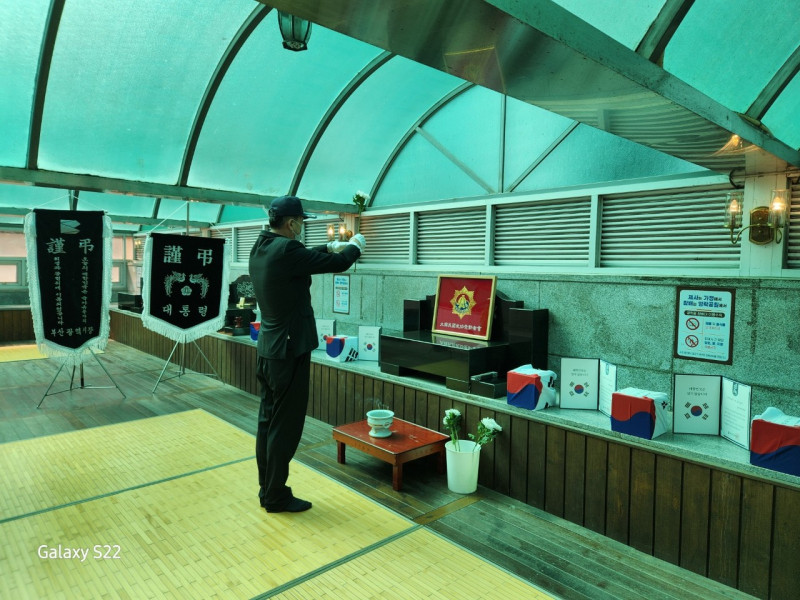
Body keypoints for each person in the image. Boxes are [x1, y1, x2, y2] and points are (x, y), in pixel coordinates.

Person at [249, 195, 365, 513]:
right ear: (291, 223)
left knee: (267, 423)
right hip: (289, 351)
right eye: (301, 221)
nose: (302, 226)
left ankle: (267, 490)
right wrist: (355, 245)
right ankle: (275, 495)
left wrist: (327, 246)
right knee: (285, 427)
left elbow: (300, 256)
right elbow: (338, 264)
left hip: (268, 350)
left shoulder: (261, 246)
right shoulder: (288, 250)